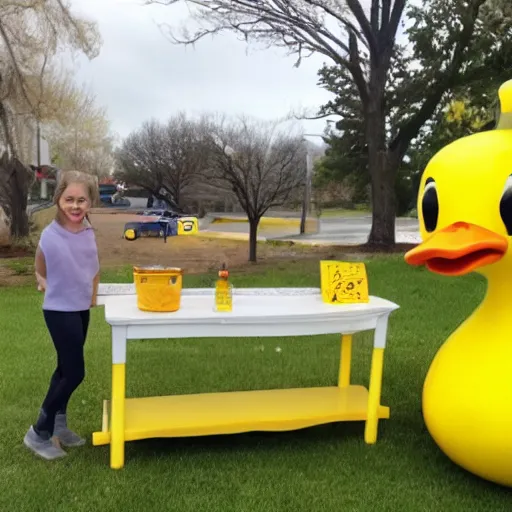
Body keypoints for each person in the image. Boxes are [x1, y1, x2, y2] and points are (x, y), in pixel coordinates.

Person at [24, 170, 100, 460]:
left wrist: (91, 295)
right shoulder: (50, 235)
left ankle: (59, 425)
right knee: (74, 372)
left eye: (82, 200)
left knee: (63, 370)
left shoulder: (88, 231)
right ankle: (39, 432)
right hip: (59, 309)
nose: (76, 206)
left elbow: (92, 264)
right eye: (69, 199)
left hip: (80, 308)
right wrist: (40, 277)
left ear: (90, 203)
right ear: (58, 200)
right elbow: (39, 263)